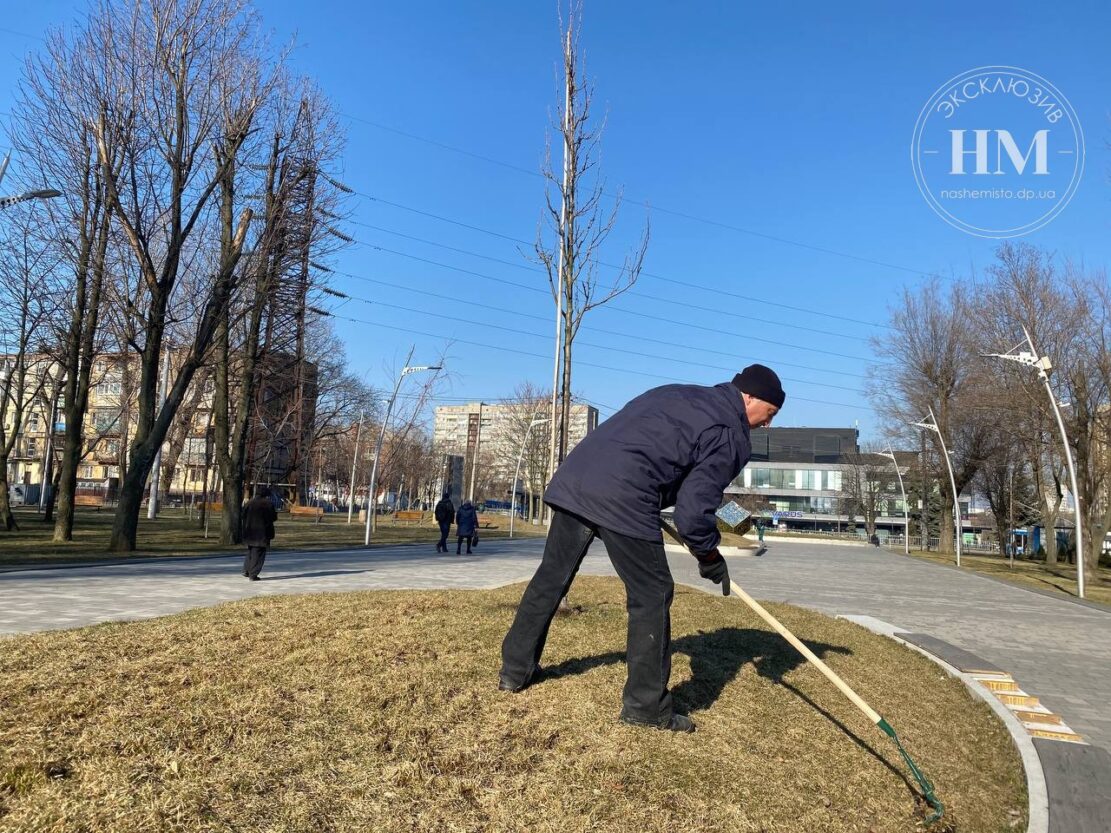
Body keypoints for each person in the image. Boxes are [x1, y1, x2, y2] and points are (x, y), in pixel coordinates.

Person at [499, 364, 785, 733]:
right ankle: (646, 706)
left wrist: (721, 526)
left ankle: (514, 671)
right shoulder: (730, 433)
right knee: (651, 594)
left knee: (551, 580)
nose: (767, 425)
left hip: (578, 479)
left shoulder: (680, 393)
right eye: (770, 413)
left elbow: (669, 469)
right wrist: (709, 556)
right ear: (750, 397)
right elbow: (694, 512)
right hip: (625, 494)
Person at [242, 486, 277, 581]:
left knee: (251, 550)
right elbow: (273, 517)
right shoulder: (268, 504)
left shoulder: (249, 503)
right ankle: (253, 574)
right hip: (262, 532)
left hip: (250, 531)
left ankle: (246, 570)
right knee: (259, 553)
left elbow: (243, 516)